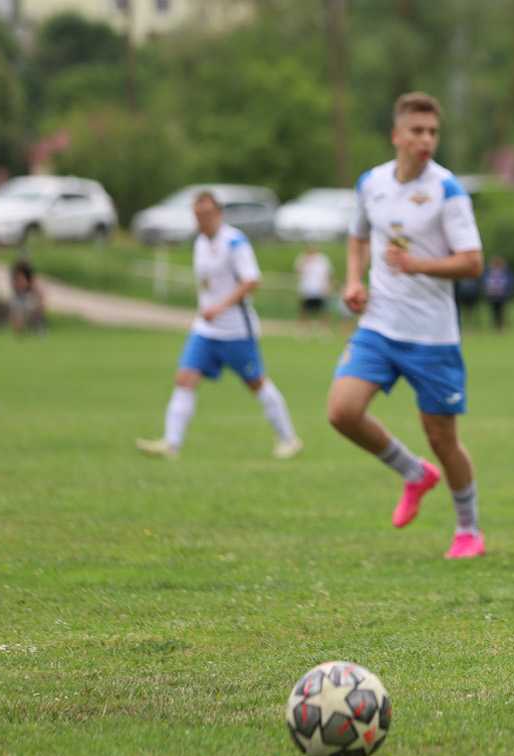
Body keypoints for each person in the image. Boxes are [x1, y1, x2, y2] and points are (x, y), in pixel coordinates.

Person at [327, 92, 488, 560]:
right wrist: (355, 280)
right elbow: (358, 236)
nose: (426, 140)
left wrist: (417, 264)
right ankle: (412, 473)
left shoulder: (448, 191)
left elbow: (472, 263)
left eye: (433, 132)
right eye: (417, 131)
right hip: (378, 326)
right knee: (342, 412)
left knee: (443, 438)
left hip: (432, 337)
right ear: (396, 135)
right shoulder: (371, 183)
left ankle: (468, 528)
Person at [136, 192, 302, 460]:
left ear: (218, 213)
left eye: (206, 214)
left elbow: (251, 282)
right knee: (185, 379)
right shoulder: (200, 242)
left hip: (236, 330)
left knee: (256, 383)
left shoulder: (235, 242)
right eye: (197, 215)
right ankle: (171, 444)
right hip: (206, 330)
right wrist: (206, 308)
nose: (201, 220)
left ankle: (288, 439)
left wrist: (220, 307)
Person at [295, 244, 333, 327]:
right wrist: (306, 261)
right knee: (304, 308)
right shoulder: (303, 258)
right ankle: (303, 325)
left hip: (320, 288)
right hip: (307, 288)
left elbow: (328, 274)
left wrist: (327, 286)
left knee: (324, 308)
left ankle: (324, 325)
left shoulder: (323, 259)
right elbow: (298, 270)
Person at [8, 258, 45, 336]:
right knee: (17, 315)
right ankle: (20, 330)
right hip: (20, 299)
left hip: (29, 300)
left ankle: (36, 328)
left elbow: (39, 296)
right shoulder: (15, 292)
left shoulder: (32, 288)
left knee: (33, 306)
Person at [483, 256, 514, 332]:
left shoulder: (505, 272)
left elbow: (509, 282)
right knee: (494, 311)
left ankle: (501, 326)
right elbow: (486, 282)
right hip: (492, 295)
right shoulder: (489, 272)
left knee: (501, 311)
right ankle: (495, 326)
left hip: (502, 295)